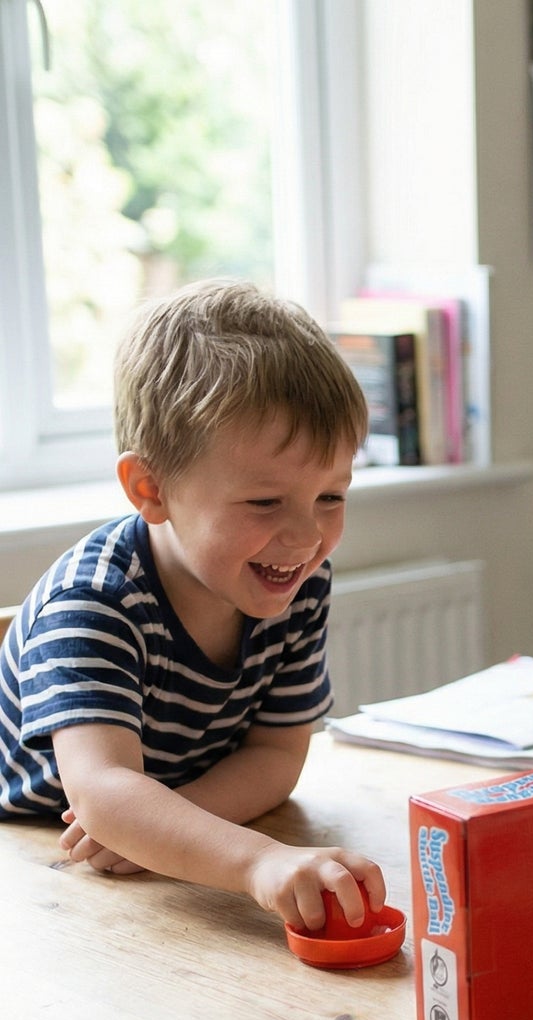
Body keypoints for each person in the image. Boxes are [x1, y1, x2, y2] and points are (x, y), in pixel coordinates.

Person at [0, 279, 386, 932]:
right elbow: (103, 791)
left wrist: (158, 828)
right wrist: (257, 861)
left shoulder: (297, 583)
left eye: (331, 496)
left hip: (132, 856)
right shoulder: (92, 603)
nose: (306, 537)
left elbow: (277, 756)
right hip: (34, 863)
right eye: (265, 502)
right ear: (150, 489)